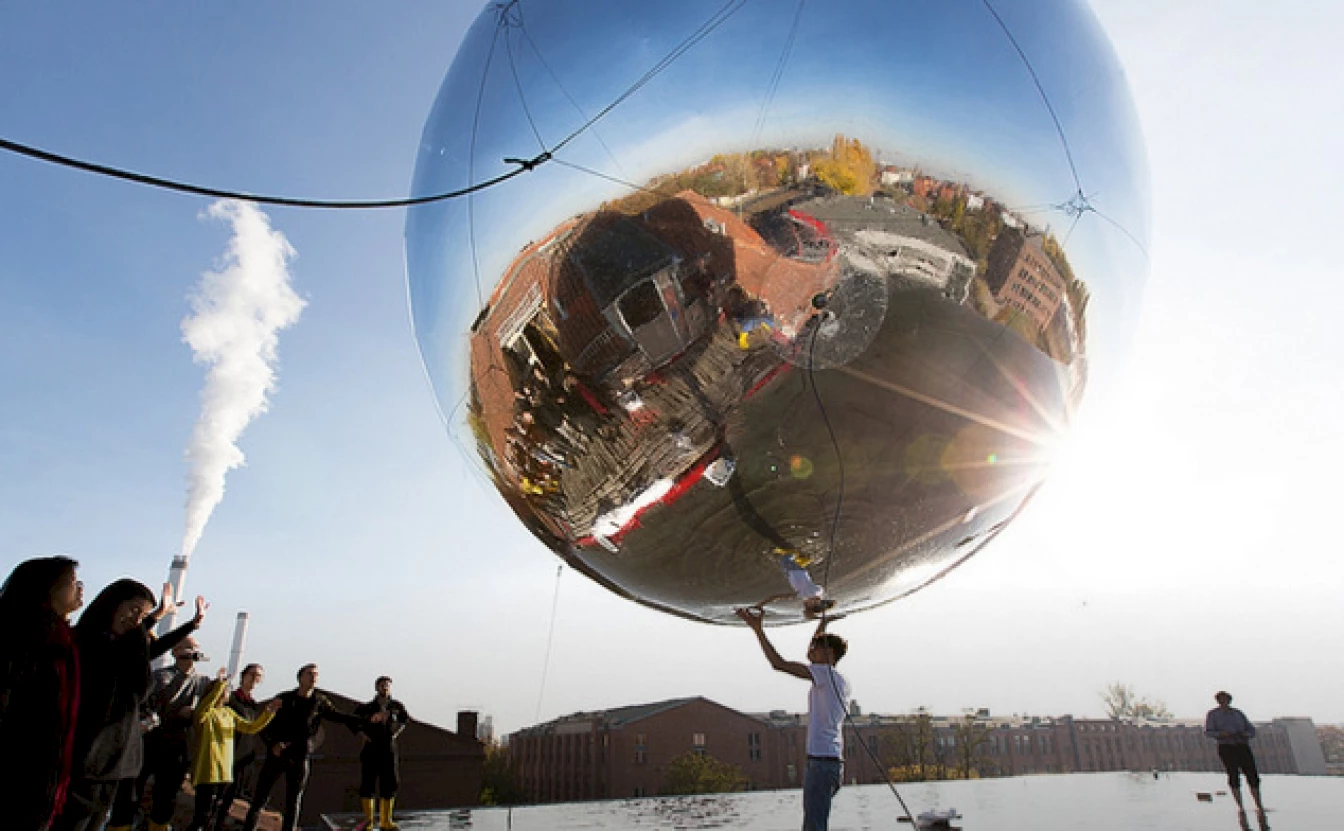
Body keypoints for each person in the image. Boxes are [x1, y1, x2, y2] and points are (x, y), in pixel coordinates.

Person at [52, 581, 207, 831]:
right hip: (89, 756)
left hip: (117, 760)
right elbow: (123, 651)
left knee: (98, 819)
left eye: (142, 614)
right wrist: (156, 618)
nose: (137, 620)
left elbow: (148, 651)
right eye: (134, 610)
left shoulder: (126, 648)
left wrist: (191, 624)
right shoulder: (89, 643)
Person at [736, 606, 850, 831]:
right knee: (815, 822)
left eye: (816, 649)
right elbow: (811, 654)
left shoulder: (824, 675)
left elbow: (779, 664)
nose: (810, 652)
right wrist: (823, 625)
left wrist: (758, 630)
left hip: (821, 764)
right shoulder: (836, 678)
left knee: (814, 826)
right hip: (830, 764)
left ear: (829, 654)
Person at [0, 556, 84, 831]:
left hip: (46, 770)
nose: (80, 588)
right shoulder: (29, 642)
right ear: (46, 591)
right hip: (20, 772)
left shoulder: (63, 640)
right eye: (71, 583)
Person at [240, 663, 366, 831]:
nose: (313, 677)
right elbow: (264, 723)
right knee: (260, 798)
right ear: (300, 678)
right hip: (278, 754)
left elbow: (338, 716)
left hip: (300, 756)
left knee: (293, 801)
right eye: (309, 674)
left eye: (316, 674)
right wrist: (272, 744)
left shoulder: (319, 701)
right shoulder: (284, 698)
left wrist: (364, 723)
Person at [107, 634, 214, 831]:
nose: (193, 652)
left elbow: (214, 705)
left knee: (167, 796)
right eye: (188, 647)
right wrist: (173, 713)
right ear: (175, 652)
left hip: (178, 747)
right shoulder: (160, 677)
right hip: (151, 742)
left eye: (195, 647)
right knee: (131, 791)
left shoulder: (203, 682)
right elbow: (147, 708)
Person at [186, 668, 280, 831]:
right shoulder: (206, 714)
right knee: (201, 814)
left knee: (214, 812)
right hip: (207, 770)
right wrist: (220, 684)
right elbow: (203, 709)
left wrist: (268, 714)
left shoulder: (228, 713)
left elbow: (250, 727)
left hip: (224, 770)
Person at [211, 662, 266, 830]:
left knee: (229, 799)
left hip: (243, 758)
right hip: (227, 754)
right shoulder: (231, 700)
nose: (255, 679)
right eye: (252, 675)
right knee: (217, 798)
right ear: (244, 676)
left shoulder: (254, 706)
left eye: (259, 676)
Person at [354, 676, 412, 830]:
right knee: (368, 784)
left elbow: (405, 720)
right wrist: (363, 735)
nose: (384, 687)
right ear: (376, 687)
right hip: (371, 749)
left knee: (390, 783)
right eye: (381, 685)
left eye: (387, 685)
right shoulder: (366, 708)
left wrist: (395, 733)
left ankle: (386, 820)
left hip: (388, 749)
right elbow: (353, 722)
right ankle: (369, 822)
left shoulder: (396, 706)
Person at [1205, 691, 1265, 816]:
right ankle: (1240, 806)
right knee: (1233, 774)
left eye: (1226, 699)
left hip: (1241, 745)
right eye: (1221, 699)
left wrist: (1245, 734)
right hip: (1226, 746)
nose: (1224, 702)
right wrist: (1222, 734)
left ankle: (1259, 804)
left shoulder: (1238, 713)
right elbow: (1208, 732)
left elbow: (1251, 730)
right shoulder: (1213, 715)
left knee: (1252, 774)